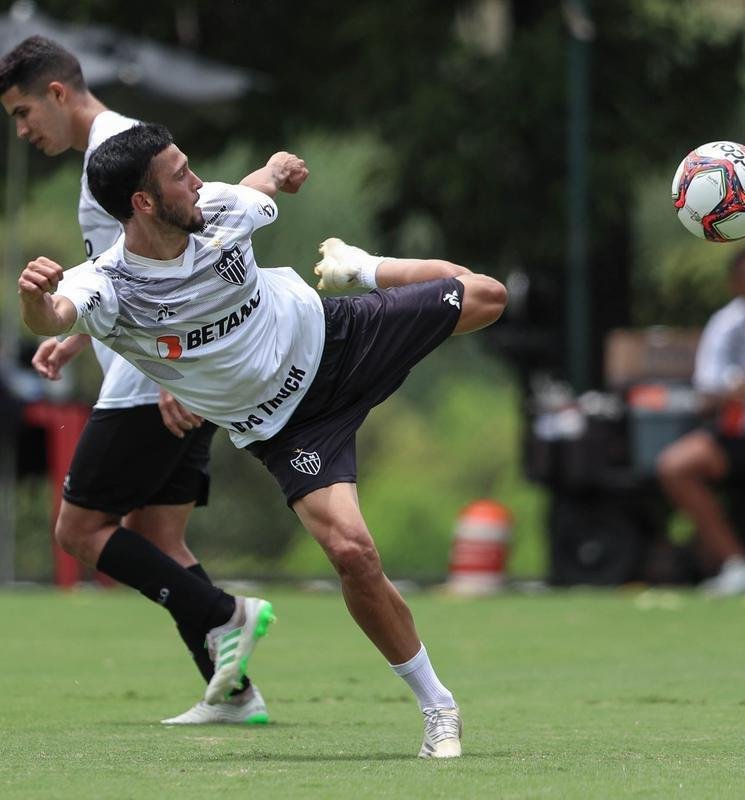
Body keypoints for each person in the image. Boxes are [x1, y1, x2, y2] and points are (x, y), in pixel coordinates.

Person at [18, 123, 507, 758]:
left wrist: (279, 168)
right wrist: (34, 299)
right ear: (143, 203)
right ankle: (438, 706)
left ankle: (362, 267)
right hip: (289, 427)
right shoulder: (108, 284)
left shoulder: (219, 207)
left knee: (488, 296)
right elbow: (54, 316)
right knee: (353, 554)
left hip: (338, 337)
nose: (195, 183)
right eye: (179, 176)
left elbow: (257, 188)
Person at [0, 35, 269, 724]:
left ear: (58, 94)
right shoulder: (117, 152)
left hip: (155, 383)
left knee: (79, 530)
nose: (24, 130)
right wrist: (72, 335)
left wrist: (175, 368)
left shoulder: (118, 157)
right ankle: (233, 692)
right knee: (157, 537)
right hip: (170, 372)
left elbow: (199, 238)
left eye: (24, 112)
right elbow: (128, 278)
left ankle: (225, 612)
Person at [657, 247, 745, 596]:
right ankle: (737, 565)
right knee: (676, 465)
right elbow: (705, 397)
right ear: (734, 285)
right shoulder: (726, 325)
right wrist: (730, 394)